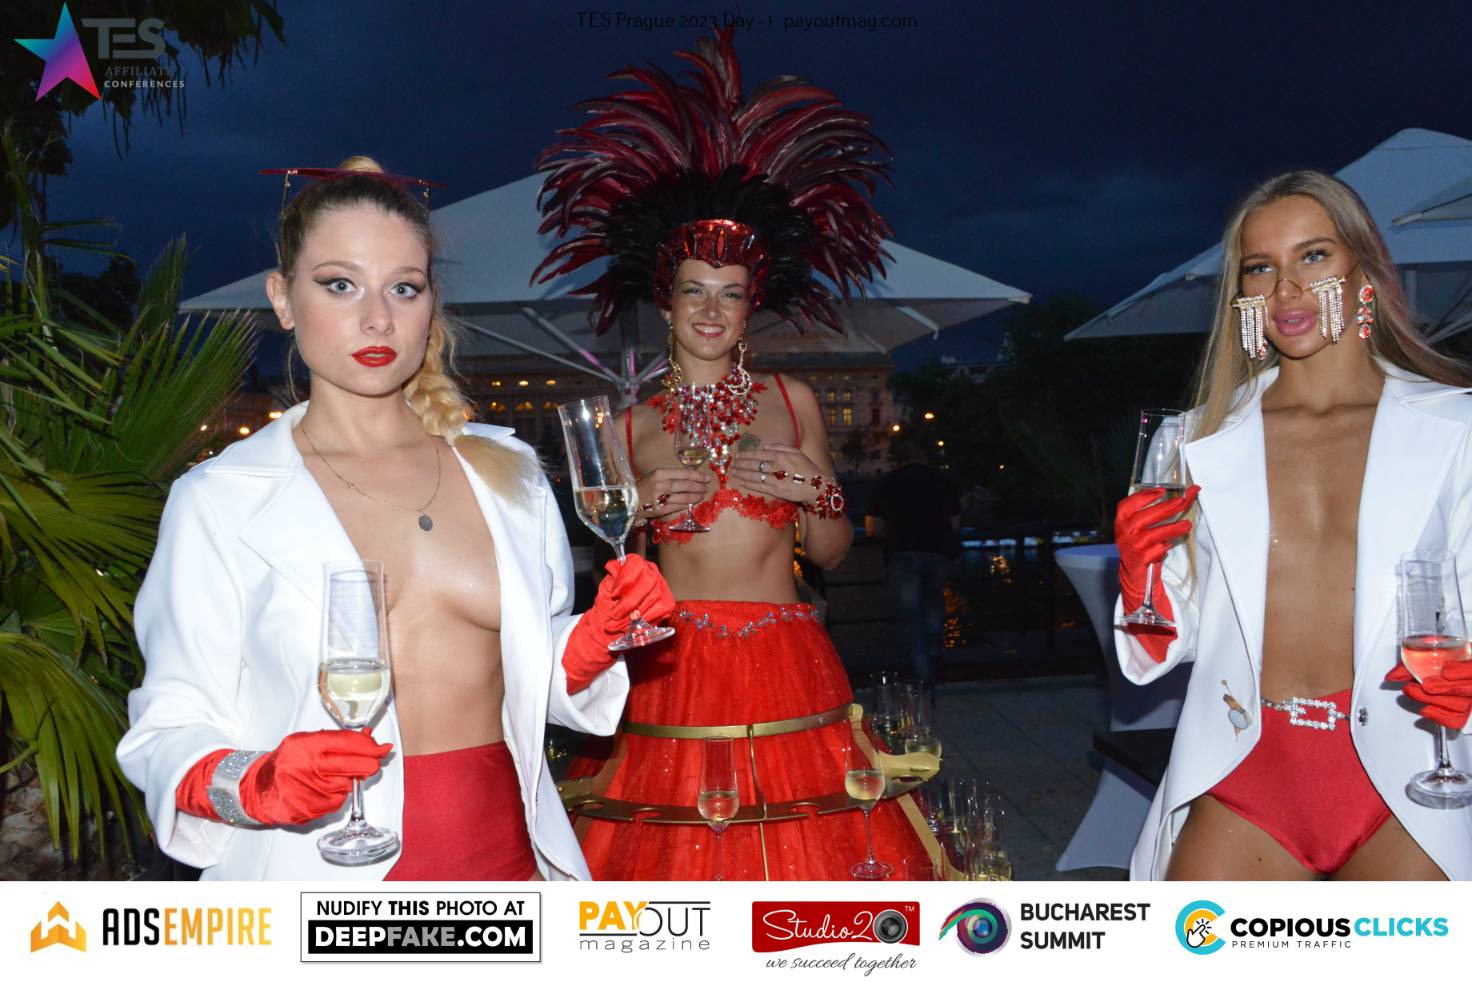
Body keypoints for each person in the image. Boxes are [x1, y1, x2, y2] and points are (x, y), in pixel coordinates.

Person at [116, 158, 673, 880]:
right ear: (282, 298)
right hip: (316, 879)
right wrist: (253, 782)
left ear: (431, 303)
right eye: (339, 284)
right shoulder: (221, 499)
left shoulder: (508, 474)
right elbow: (168, 725)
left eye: (403, 288)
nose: (377, 318)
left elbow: (532, 679)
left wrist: (591, 644)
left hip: (509, 866)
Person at [536, 30, 937, 879]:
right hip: (669, 666)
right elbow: (609, 569)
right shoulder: (626, 426)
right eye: (695, 292)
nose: (712, 311)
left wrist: (818, 490)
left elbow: (831, 551)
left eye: (731, 294)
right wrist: (633, 515)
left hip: (788, 659)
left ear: (752, 308)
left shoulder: (793, 402)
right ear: (666, 303)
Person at [1113, 170, 1472, 881]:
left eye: (1313, 256)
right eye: (1260, 267)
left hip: (1408, 773)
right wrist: (1139, 578)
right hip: (1246, 765)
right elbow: (1161, 650)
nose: (1286, 290)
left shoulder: (1456, 426)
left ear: (1364, 268)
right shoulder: (1192, 441)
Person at [865, 439, 963, 688]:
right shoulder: (943, 481)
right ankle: (934, 650)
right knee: (933, 597)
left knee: (910, 616)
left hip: (903, 553)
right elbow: (955, 524)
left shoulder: (887, 483)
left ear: (897, 460)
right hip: (939, 553)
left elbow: (872, 529)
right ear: (924, 457)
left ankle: (923, 676)